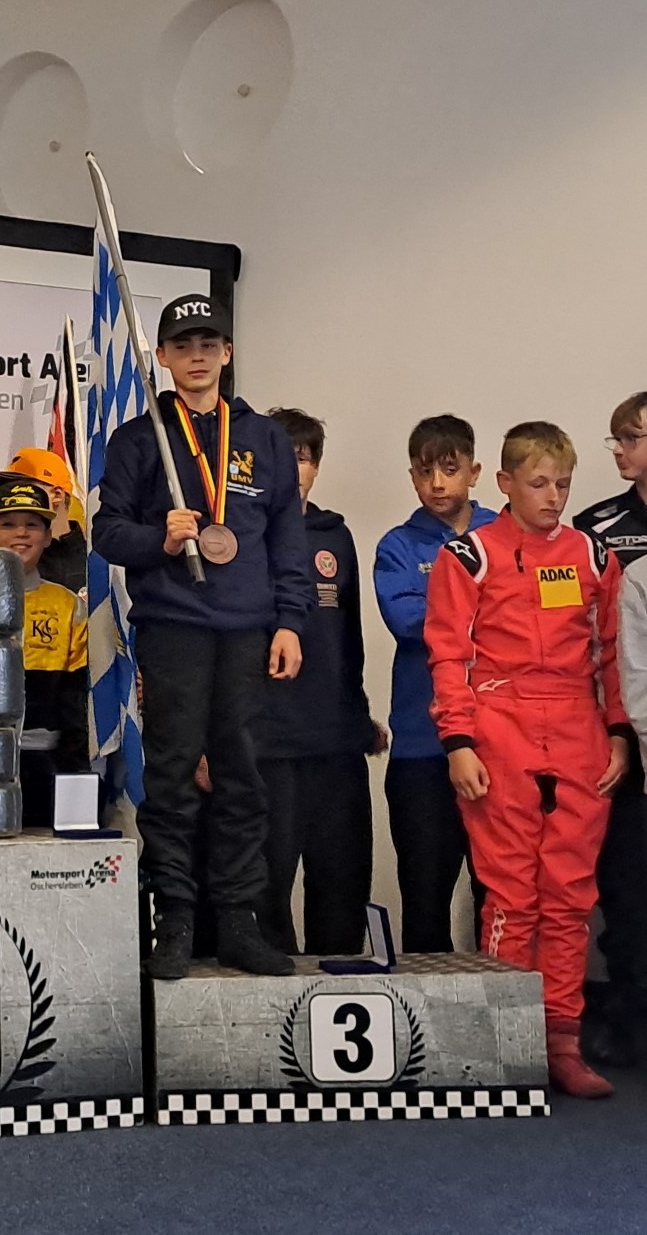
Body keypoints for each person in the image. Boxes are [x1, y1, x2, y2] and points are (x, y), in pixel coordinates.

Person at [92, 294, 311, 979]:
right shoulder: (139, 438)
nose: (197, 356)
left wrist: (290, 620)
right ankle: (176, 921)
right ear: (161, 356)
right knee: (170, 779)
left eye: (209, 344)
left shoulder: (263, 438)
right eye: (183, 345)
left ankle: (240, 922)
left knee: (243, 778)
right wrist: (159, 539)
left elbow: (287, 537)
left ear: (227, 352)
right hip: (174, 628)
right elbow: (107, 533)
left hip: (248, 631)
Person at [426, 422, 630, 1099]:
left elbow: (612, 654)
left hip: (578, 732)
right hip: (499, 728)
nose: (553, 497)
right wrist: (458, 742)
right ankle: (505, 1045)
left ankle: (562, 1042)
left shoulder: (592, 555)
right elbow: (448, 654)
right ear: (505, 483)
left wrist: (618, 733)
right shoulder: (469, 555)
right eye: (539, 483)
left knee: (570, 898)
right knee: (510, 895)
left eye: (562, 484)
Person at [256, 409, 384, 955]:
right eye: (281, 458)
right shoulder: (240, 539)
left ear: (316, 466)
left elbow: (348, 638)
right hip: (267, 743)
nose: (294, 470)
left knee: (342, 886)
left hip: (335, 740)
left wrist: (358, 713)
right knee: (266, 893)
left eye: (304, 458)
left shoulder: (337, 537)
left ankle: (338, 986)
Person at [374, 415, 496, 952]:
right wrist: (488, 613)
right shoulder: (398, 546)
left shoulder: (503, 533)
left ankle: (501, 1002)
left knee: (501, 898)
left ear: (475, 471)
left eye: (450, 469)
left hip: (498, 745)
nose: (438, 484)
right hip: (421, 749)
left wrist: (454, 613)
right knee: (425, 901)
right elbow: (409, 624)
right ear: (412, 477)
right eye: (425, 473)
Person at [573, 391, 647, 1066]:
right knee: (626, 892)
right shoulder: (596, 528)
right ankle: (627, 1022)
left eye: (630, 437)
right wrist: (618, 732)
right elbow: (580, 639)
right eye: (615, 439)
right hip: (622, 737)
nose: (620, 450)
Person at [0, 481, 88, 825]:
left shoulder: (67, 605)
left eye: (32, 524)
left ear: (48, 535)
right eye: (8, 524)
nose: (21, 534)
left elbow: (77, 707)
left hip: (45, 768)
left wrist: (74, 777)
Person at [0, 448, 86, 593]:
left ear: (57, 495)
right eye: (5, 487)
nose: (11, 493)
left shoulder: (94, 559)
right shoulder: (0, 557)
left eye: (23, 487)